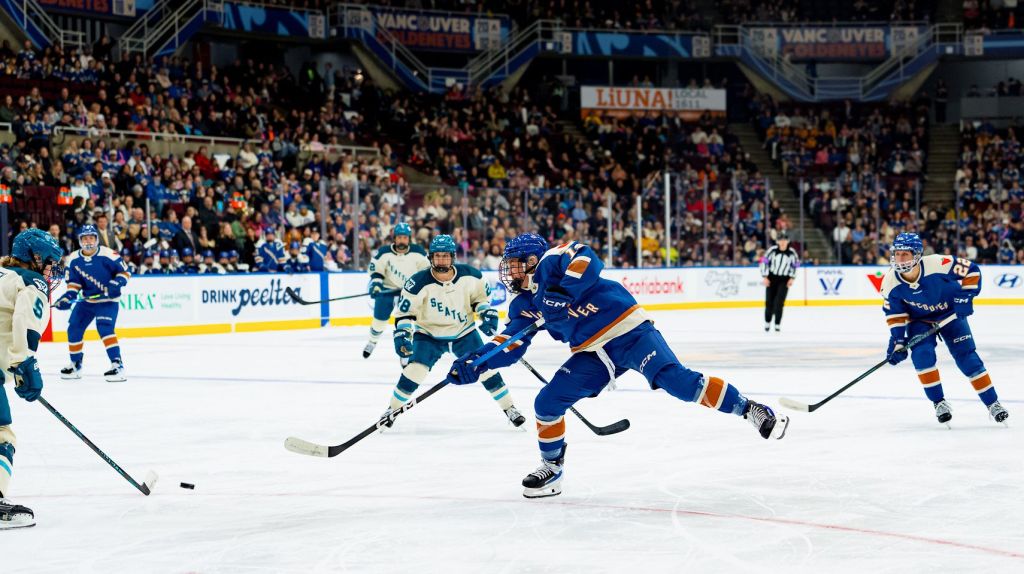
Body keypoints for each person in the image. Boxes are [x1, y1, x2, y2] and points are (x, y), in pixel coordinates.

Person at [449, 234, 788, 499]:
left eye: (516, 263)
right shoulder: (524, 303)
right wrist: (475, 364)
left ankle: (749, 408)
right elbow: (510, 344)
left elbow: (587, 259)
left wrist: (562, 291)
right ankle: (552, 467)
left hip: (630, 330)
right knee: (546, 403)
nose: (510, 271)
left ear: (534, 259)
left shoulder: (554, 260)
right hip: (593, 353)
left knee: (678, 382)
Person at [382, 234, 524, 428]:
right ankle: (392, 409)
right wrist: (403, 334)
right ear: (431, 257)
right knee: (414, 371)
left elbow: (480, 301)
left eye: (445, 255)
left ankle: (510, 408)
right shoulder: (417, 282)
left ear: (453, 257)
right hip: (428, 335)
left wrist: (486, 314)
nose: (441, 260)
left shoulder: (471, 276)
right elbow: (405, 314)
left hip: (463, 333)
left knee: (486, 369)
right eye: (437, 255)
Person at [881, 232, 1008, 426]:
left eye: (905, 254)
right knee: (922, 357)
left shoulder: (939, 263)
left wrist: (966, 295)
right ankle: (939, 403)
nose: (899, 259)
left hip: (950, 315)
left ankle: (993, 403)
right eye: (897, 254)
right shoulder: (890, 282)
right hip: (920, 321)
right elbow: (896, 315)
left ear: (917, 254)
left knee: (968, 359)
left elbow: (972, 270)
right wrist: (898, 341)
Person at [0, 228, 65, 528]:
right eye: (49, 262)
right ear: (35, 258)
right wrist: (25, 364)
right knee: (3, 436)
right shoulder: (32, 281)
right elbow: (24, 325)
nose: (51, 269)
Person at [53, 225, 131, 382]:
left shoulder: (109, 254)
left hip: (108, 301)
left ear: (96, 239)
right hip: (88, 301)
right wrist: (68, 296)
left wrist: (117, 283)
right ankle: (75, 364)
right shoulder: (73, 259)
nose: (88, 241)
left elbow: (125, 272)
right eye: (85, 238)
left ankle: (117, 365)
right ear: (80, 240)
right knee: (74, 327)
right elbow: (74, 284)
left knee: (104, 328)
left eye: (91, 237)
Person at [363, 223, 429, 360]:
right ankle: (372, 341)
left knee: (405, 322)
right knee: (379, 321)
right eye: (399, 237)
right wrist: (376, 285)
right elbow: (376, 272)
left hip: (408, 293)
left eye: (405, 237)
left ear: (409, 238)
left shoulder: (418, 252)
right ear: (394, 238)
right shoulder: (384, 252)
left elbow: (426, 272)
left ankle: (404, 350)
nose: (402, 240)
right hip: (387, 291)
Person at [759, 230, 799, 332]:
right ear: (777, 241)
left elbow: (796, 265)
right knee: (769, 302)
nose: (782, 242)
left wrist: (792, 278)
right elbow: (764, 262)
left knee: (779, 303)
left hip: (784, 280)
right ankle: (767, 322)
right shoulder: (772, 250)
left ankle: (777, 324)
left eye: (784, 240)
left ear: (788, 241)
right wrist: (765, 276)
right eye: (780, 240)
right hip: (771, 278)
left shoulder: (792, 253)